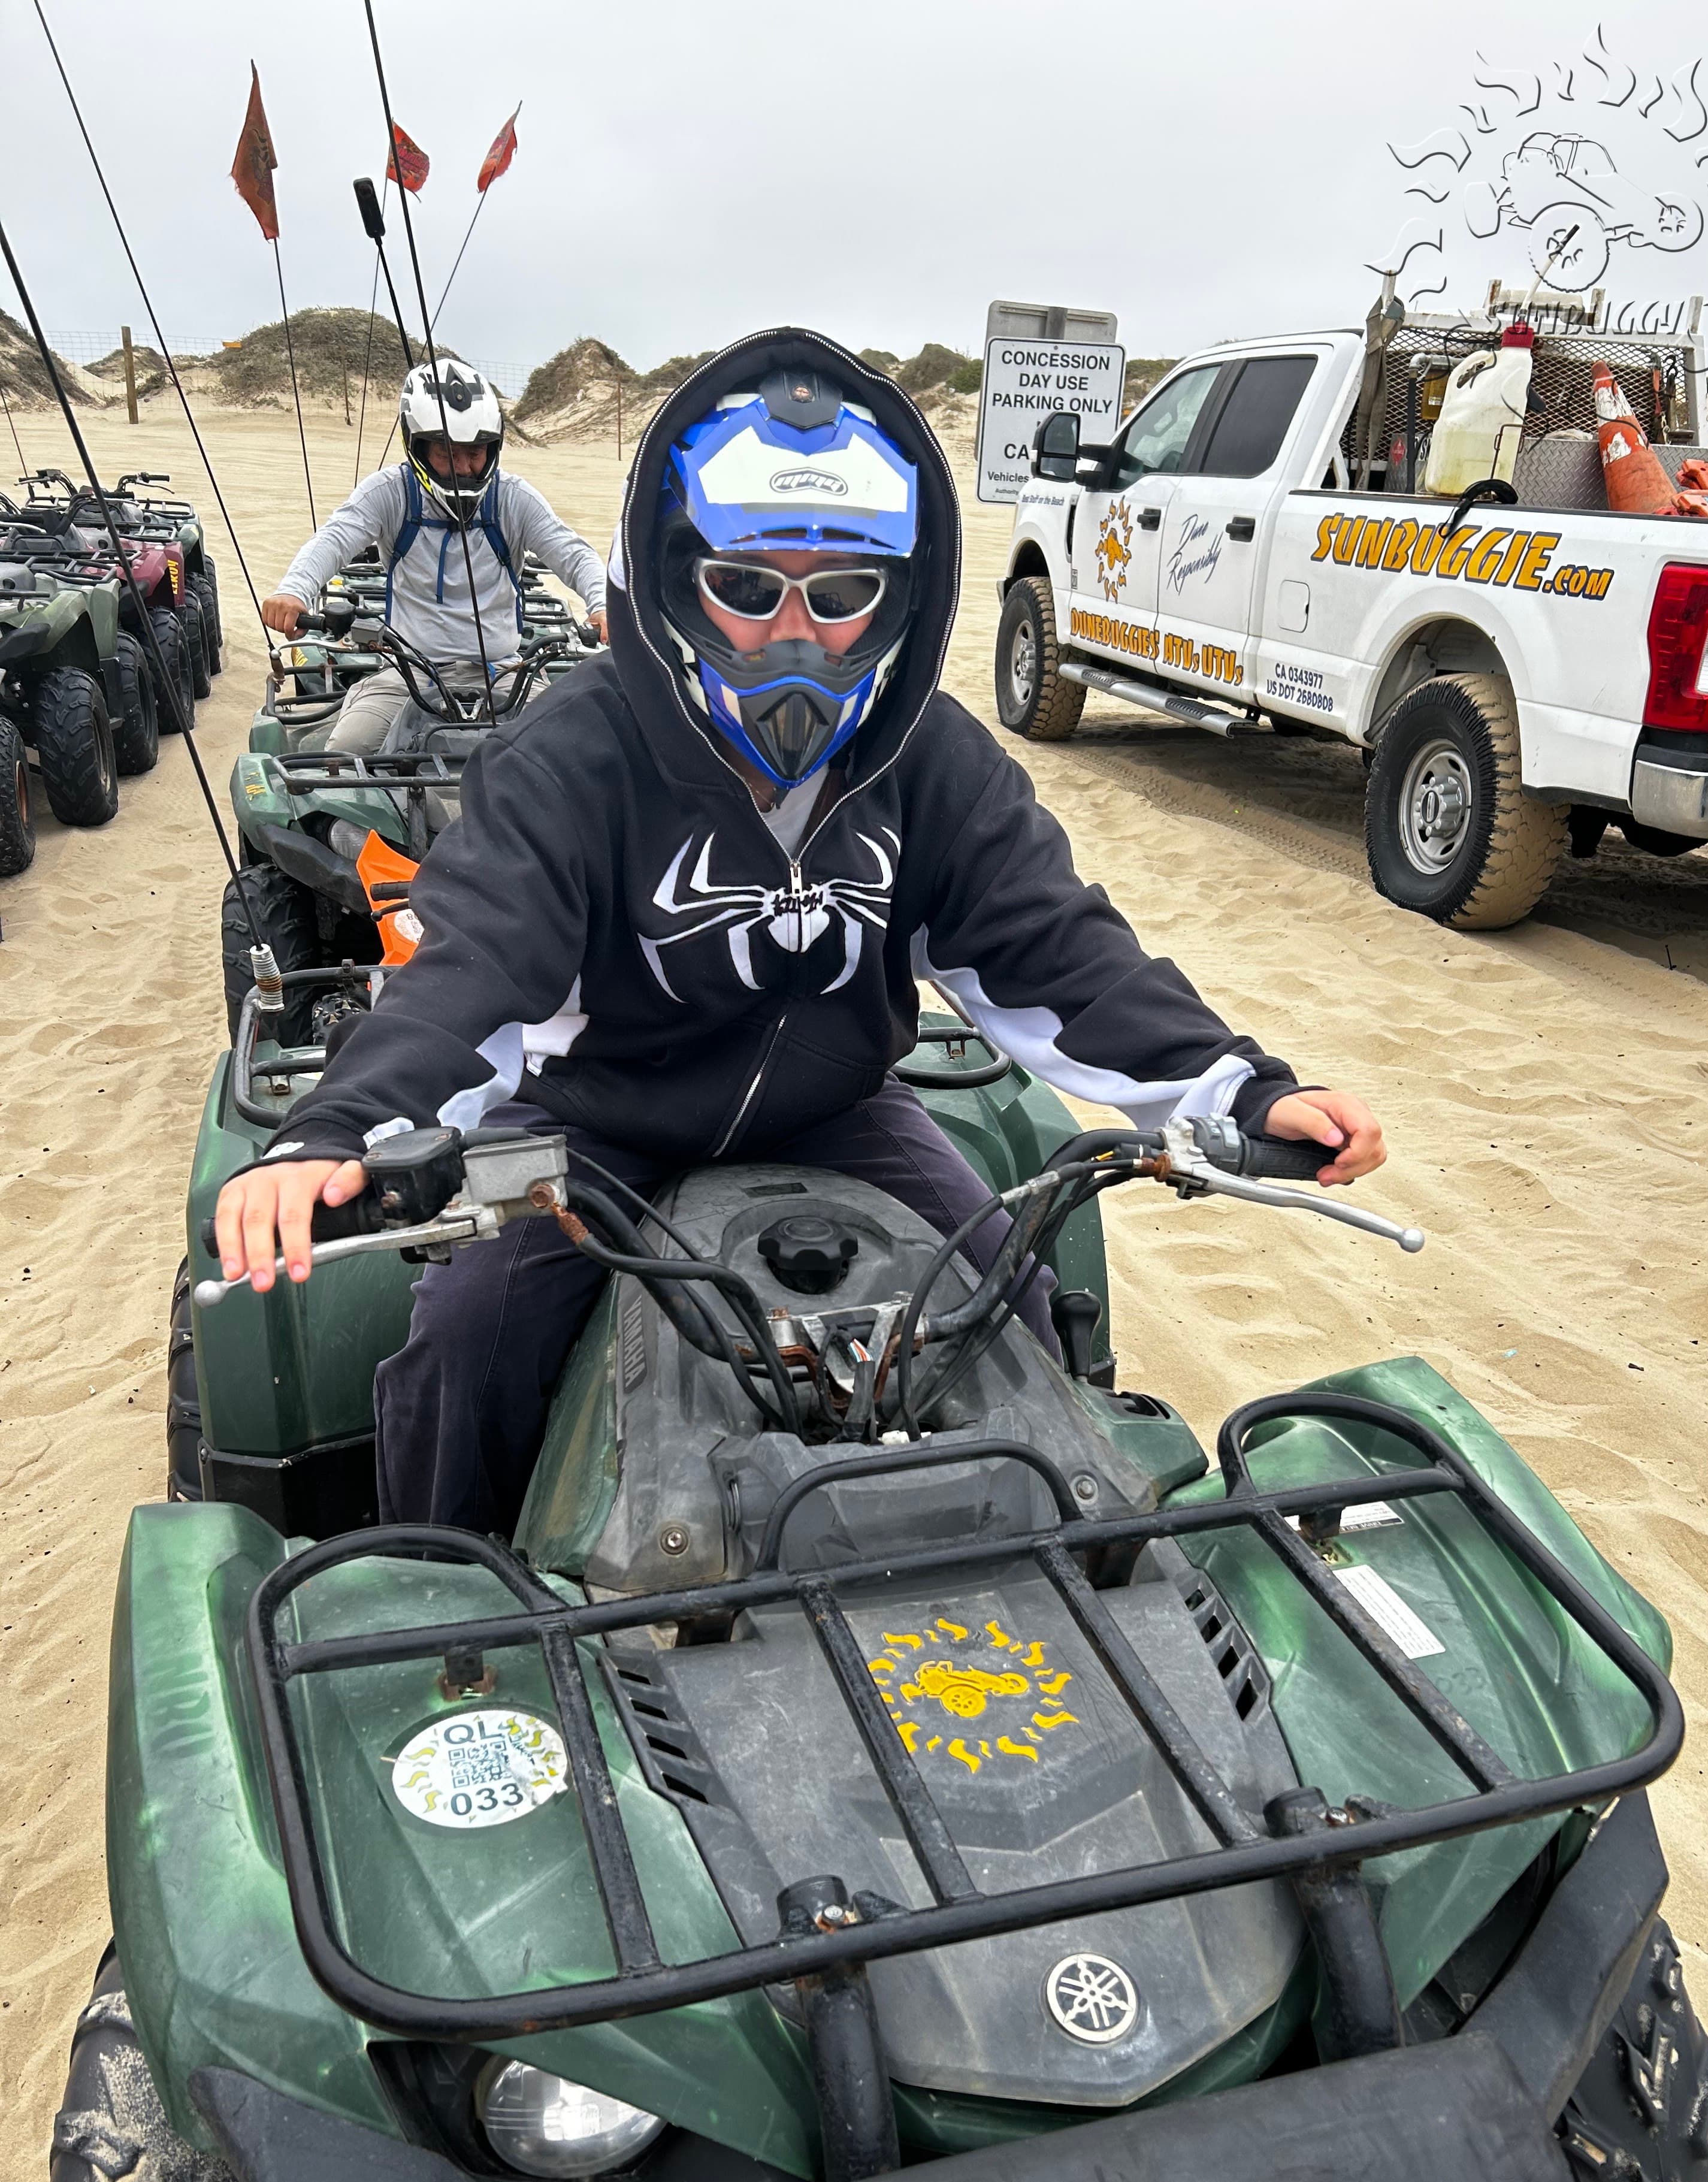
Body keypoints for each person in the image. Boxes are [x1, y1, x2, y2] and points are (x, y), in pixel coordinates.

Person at [217, 330, 1385, 1537]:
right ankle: (452, 1590)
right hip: (590, 1125)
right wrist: (341, 1130)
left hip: (836, 1110)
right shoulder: (570, 756)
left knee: (1012, 1306)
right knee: (463, 1346)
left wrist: (1237, 1089)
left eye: (838, 597)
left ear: (897, 599)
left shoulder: (930, 762)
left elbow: (1058, 951)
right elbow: (475, 967)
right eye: (746, 588)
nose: (793, 635)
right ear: (676, 582)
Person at [261, 355, 610, 753]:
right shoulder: (390, 492)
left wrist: (603, 605)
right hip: (409, 671)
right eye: (448, 453)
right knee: (346, 752)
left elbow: (573, 553)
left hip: (505, 671)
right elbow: (335, 538)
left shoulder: (513, 498)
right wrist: (295, 590)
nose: (464, 468)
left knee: (573, 753)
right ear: (418, 448)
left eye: (475, 452)